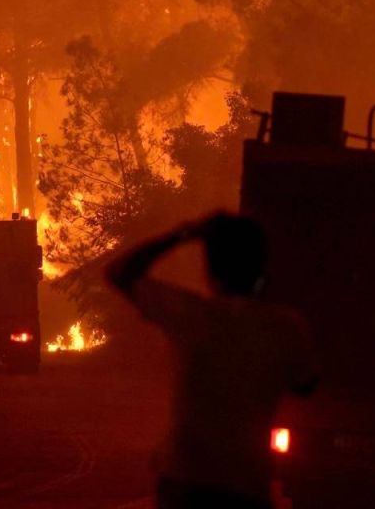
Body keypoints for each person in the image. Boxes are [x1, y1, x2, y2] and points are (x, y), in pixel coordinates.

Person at [104, 213, 318, 509]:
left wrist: (184, 233)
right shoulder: (287, 327)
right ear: (261, 265)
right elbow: (305, 385)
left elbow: (119, 272)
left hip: (185, 482)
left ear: (211, 271)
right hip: (246, 487)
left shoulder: (190, 314)